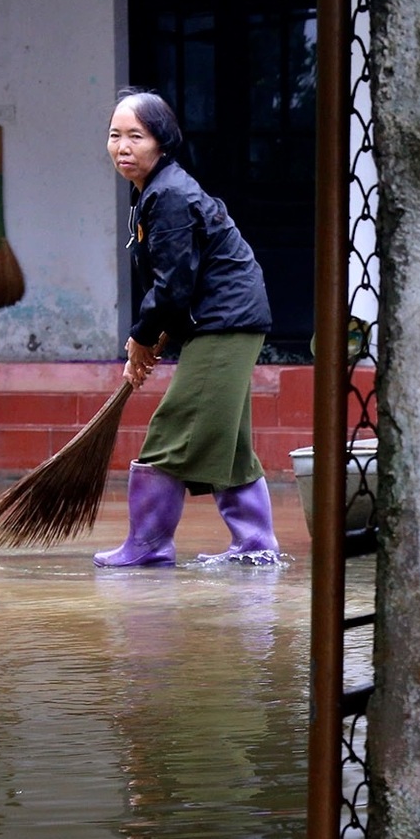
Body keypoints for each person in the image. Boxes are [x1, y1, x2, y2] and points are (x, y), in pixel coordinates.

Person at [94, 88, 281, 567]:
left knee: (174, 428)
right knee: (230, 442)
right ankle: (256, 546)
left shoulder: (170, 195)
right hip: (223, 320)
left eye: (136, 135)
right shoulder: (152, 194)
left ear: (162, 141)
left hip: (225, 321)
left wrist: (140, 337)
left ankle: (150, 544)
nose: (123, 146)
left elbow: (173, 284)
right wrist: (154, 336)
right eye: (115, 136)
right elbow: (177, 285)